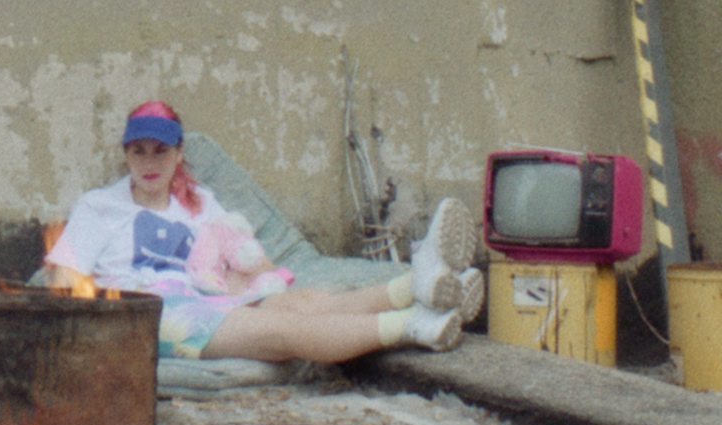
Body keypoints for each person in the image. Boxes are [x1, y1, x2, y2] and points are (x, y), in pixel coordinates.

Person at [44, 100, 484, 365]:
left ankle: (418, 285)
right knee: (283, 331)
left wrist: (269, 284)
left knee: (304, 302)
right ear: (125, 155)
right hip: (150, 314)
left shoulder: (199, 204)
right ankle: (414, 325)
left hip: (207, 296)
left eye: (160, 151)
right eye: (138, 151)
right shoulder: (100, 207)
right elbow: (63, 280)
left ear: (179, 154)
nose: (148, 163)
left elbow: (244, 255)